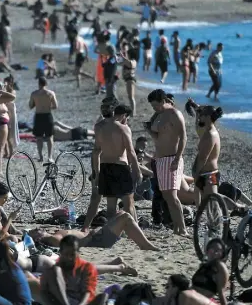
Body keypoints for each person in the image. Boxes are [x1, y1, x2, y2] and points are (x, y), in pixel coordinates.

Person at [145, 89, 188, 236]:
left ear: (164, 101)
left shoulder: (175, 114)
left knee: (173, 196)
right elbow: (159, 138)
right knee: (166, 196)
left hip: (172, 158)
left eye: (156, 105)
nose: (154, 109)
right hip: (160, 159)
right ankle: (176, 227)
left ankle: (182, 228)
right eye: (153, 107)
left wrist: (177, 159)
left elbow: (183, 138)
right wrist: (150, 131)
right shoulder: (159, 115)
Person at [40, 235, 108, 305]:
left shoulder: (86, 267)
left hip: (81, 304)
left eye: (72, 254)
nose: (69, 258)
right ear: (60, 252)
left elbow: (88, 291)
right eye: (66, 254)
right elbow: (44, 292)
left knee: (104, 296)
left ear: (78, 253)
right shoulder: (54, 270)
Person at [93, 98, 142, 221]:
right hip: (120, 167)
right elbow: (131, 152)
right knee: (128, 204)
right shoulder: (123, 128)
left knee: (110, 207)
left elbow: (96, 152)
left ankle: (111, 233)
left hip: (105, 167)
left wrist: (97, 172)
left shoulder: (98, 127)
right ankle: (134, 232)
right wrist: (137, 171)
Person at [192, 105, 223, 207]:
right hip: (206, 174)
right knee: (209, 203)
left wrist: (196, 175)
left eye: (202, 114)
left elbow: (203, 158)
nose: (200, 116)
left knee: (213, 203)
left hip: (209, 175)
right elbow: (197, 125)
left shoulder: (210, 134)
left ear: (208, 117)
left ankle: (239, 207)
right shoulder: (208, 131)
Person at [191, 238, 229, 305]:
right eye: (213, 249)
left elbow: (221, 293)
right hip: (191, 300)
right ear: (207, 250)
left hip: (202, 303)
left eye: (218, 250)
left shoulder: (220, 267)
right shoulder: (204, 266)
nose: (215, 252)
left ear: (222, 254)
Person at [29, 76, 58, 162]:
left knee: (39, 137)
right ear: (46, 83)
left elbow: (30, 106)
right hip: (47, 115)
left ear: (38, 84)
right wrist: (48, 106)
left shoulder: (34, 94)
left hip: (38, 116)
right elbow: (55, 106)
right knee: (49, 137)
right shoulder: (51, 93)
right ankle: (50, 157)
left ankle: (41, 156)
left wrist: (37, 104)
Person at [0, 81, 13, 175]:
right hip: (2, 124)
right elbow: (13, 97)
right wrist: (2, 91)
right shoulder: (0, 99)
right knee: (0, 149)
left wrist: (3, 88)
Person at [4, 75, 20, 158]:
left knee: (9, 134)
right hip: (6, 113)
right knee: (5, 135)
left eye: (6, 82)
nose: (4, 84)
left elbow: (9, 98)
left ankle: (11, 153)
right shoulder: (5, 91)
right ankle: (6, 152)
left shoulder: (12, 91)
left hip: (11, 115)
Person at [120, 48, 138, 116]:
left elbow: (130, 64)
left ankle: (133, 112)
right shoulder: (130, 61)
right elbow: (121, 62)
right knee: (130, 97)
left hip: (130, 80)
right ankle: (133, 111)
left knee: (131, 97)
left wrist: (122, 57)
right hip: (129, 80)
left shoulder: (133, 61)